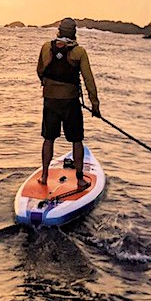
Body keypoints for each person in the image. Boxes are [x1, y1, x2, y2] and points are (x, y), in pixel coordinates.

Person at [36, 17, 100, 189]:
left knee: (48, 138)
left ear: (59, 31)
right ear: (74, 33)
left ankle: (44, 176)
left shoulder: (46, 48)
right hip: (70, 103)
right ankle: (79, 179)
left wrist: (50, 86)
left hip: (50, 101)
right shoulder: (79, 52)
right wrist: (95, 104)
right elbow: (88, 80)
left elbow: (40, 71)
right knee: (76, 140)